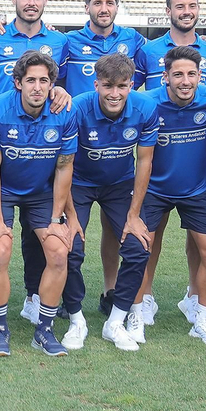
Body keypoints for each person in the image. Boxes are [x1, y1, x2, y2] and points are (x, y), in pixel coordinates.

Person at [0, 50, 78, 357]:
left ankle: (44, 330)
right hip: (4, 190)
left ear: (52, 85)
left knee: (59, 252)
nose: (37, 87)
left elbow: (64, 167)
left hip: (40, 193)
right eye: (31, 80)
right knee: (0, 248)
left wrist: (55, 220)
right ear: (18, 83)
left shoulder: (64, 111)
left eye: (44, 81)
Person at [62, 54, 159, 352]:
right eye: (107, 86)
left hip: (119, 185)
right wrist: (70, 216)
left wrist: (133, 215)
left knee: (138, 245)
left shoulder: (145, 108)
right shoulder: (77, 108)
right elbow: (63, 164)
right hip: (78, 183)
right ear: (96, 85)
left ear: (132, 85)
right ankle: (76, 319)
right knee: (69, 247)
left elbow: (144, 161)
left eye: (121, 86)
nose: (114, 93)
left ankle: (115, 321)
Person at [134, 46, 206, 346]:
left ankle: (201, 316)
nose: (185, 81)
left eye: (191, 74)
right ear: (165, 77)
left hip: (197, 190)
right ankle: (138, 310)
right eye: (178, 74)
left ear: (201, 76)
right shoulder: (147, 101)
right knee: (141, 249)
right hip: (154, 190)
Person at [136, 0, 206, 92]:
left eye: (192, 6)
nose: (187, 12)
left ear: (198, 9)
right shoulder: (148, 51)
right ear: (168, 11)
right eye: (180, 7)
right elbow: (129, 91)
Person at [59, 0, 144, 97]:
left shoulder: (132, 37)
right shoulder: (68, 41)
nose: (104, 10)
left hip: (121, 114)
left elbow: (155, 54)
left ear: (117, 8)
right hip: (81, 114)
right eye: (97, 3)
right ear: (87, 7)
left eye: (109, 3)